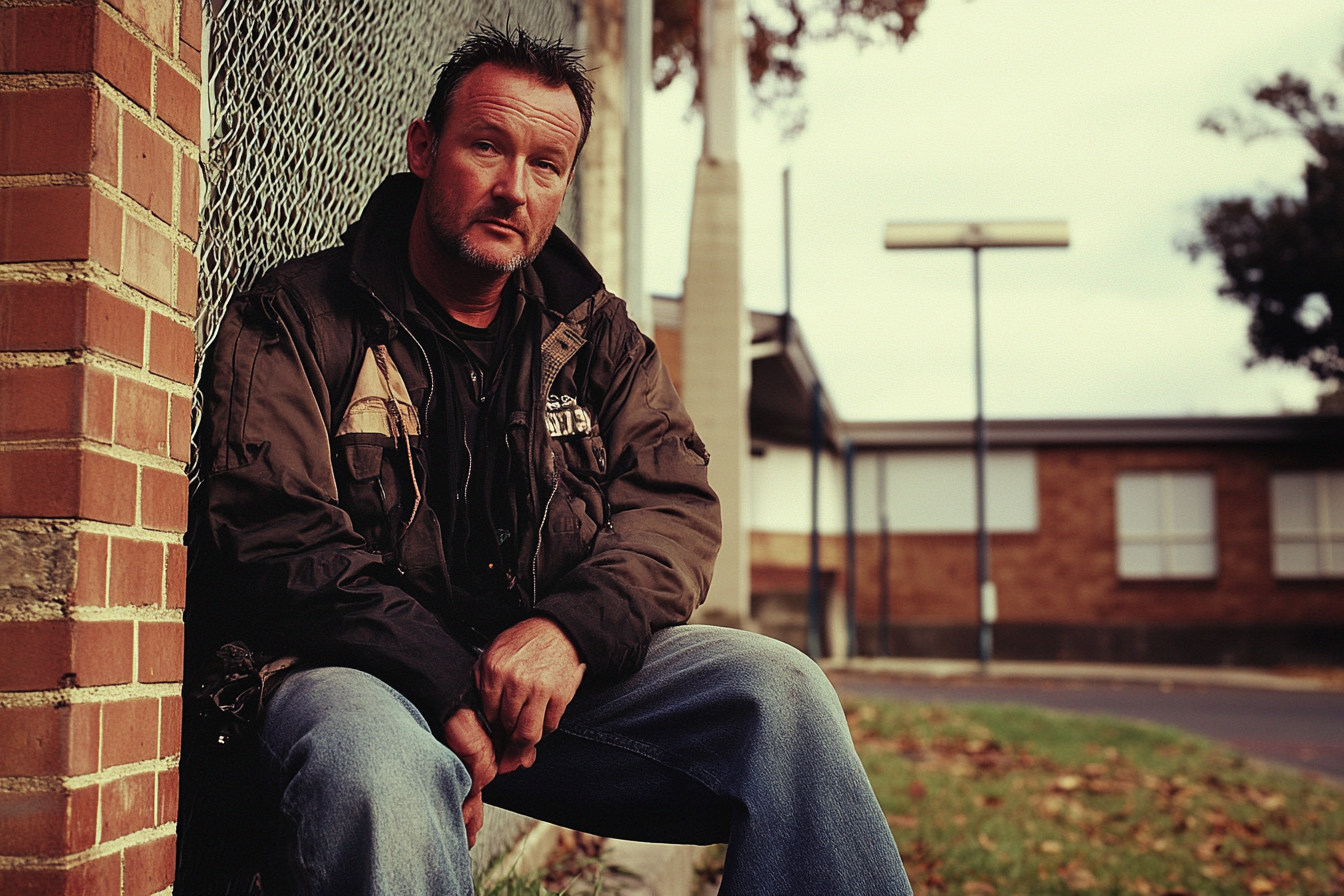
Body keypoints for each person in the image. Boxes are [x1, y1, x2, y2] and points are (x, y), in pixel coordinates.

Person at [180, 25, 912, 896]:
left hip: (541, 693)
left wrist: (571, 630)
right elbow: (277, 534)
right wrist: (445, 682)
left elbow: (673, 508)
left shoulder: (594, 335)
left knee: (781, 696)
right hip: (351, 675)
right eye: (486, 147)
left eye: (545, 164)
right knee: (382, 770)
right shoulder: (298, 317)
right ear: (423, 147)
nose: (511, 189)